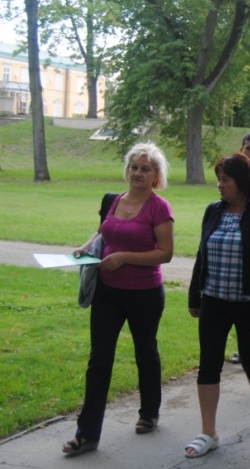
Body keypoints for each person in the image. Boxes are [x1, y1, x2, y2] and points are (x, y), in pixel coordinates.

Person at [62, 142, 174, 456]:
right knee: (99, 360)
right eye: (134, 167)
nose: (138, 173)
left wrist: (125, 257)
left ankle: (149, 413)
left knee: (145, 352)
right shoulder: (114, 200)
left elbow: (165, 253)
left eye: (145, 168)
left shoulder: (159, 208)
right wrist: (87, 247)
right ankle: (87, 434)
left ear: (156, 176)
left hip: (145, 294)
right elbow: (104, 231)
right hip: (107, 292)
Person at [184, 153, 250, 458]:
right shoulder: (213, 211)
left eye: (225, 180)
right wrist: (195, 295)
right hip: (214, 301)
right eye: (218, 179)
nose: (220, 185)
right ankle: (208, 431)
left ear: (242, 182)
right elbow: (202, 254)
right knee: (209, 363)